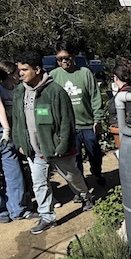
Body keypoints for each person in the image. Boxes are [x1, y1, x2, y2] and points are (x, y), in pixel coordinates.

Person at [11, 50, 93, 234]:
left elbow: (67, 121)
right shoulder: (19, 92)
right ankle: (47, 217)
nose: (21, 73)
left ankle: (85, 196)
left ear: (37, 69)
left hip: (56, 148)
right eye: (19, 70)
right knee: (39, 183)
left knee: (72, 176)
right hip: (33, 150)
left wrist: (62, 145)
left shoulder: (55, 91)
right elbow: (17, 120)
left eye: (25, 69)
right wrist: (20, 143)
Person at [50, 41, 105, 187]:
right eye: (59, 59)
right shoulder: (53, 76)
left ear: (73, 57)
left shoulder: (85, 73)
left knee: (94, 152)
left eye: (66, 58)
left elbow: (95, 97)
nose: (63, 61)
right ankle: (81, 186)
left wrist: (97, 119)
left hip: (87, 123)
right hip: (67, 126)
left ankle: (97, 173)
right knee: (75, 158)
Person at [0, 63, 36, 223]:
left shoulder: (19, 88)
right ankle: (3, 211)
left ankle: (17, 210)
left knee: (13, 173)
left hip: (9, 133)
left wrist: (7, 130)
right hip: (6, 132)